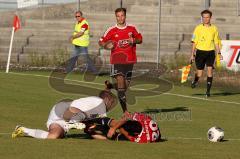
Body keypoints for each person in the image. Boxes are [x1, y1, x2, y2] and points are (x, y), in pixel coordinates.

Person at [12, 90, 117, 139]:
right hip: (63, 111)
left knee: (53, 136)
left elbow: (92, 130)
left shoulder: (94, 107)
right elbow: (106, 123)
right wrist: (118, 129)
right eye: (112, 102)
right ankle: (72, 123)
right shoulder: (100, 103)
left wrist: (107, 138)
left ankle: (22, 129)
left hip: (60, 118)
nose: (111, 105)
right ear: (107, 100)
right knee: (82, 115)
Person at [98, 8, 143, 113]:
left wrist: (134, 40)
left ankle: (110, 86)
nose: (120, 18)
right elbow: (101, 41)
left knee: (124, 87)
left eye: (122, 15)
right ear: (116, 17)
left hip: (130, 61)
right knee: (122, 85)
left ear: (125, 16)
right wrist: (105, 45)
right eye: (118, 16)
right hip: (117, 61)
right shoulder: (111, 30)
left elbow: (140, 39)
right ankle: (125, 112)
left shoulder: (132, 28)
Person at [190, 9, 223, 97]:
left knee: (210, 71)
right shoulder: (198, 28)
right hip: (200, 52)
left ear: (210, 18)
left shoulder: (214, 28)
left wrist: (219, 53)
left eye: (207, 17)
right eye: (204, 17)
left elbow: (216, 42)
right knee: (199, 73)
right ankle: (195, 81)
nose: (205, 19)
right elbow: (194, 42)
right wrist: (192, 54)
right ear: (202, 18)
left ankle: (208, 92)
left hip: (210, 53)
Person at [84, 112, 161, 143]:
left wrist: (115, 129)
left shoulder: (142, 138)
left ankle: (90, 131)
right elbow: (127, 117)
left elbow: (125, 133)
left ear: (135, 134)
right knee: (116, 124)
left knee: (113, 136)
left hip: (150, 135)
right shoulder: (143, 118)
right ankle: (90, 120)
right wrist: (114, 128)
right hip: (150, 131)